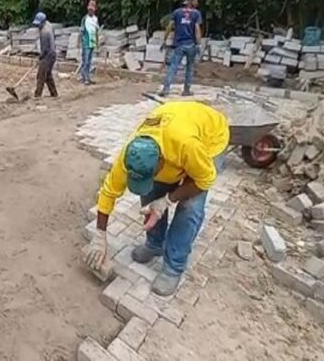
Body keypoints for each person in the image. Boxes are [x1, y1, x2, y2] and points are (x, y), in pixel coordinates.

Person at [84, 101, 229, 295]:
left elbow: (204, 180)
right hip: (175, 127)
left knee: (189, 207)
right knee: (151, 191)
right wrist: (100, 236)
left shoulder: (186, 145)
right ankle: (154, 244)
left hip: (210, 138)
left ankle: (173, 266)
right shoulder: (130, 153)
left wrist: (167, 200)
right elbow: (108, 192)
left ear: (162, 161)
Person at [161, 0, 203, 97]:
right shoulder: (196, 14)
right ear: (192, 1)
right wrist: (199, 44)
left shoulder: (177, 12)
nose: (197, 2)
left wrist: (164, 40)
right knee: (190, 67)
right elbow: (197, 29)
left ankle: (166, 90)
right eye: (196, 0)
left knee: (173, 67)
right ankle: (186, 90)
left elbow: (169, 27)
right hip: (191, 45)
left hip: (179, 45)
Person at [33, 12, 58, 98]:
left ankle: (37, 95)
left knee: (41, 75)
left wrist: (40, 58)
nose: (37, 26)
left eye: (38, 24)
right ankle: (54, 93)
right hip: (52, 54)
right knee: (47, 75)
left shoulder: (44, 32)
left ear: (43, 22)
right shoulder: (48, 25)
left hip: (49, 55)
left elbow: (45, 49)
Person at [80, 0, 99, 85]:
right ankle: (84, 78)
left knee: (90, 61)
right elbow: (82, 31)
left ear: (95, 9)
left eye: (92, 9)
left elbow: (96, 31)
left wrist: (97, 43)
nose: (91, 10)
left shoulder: (95, 19)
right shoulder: (85, 19)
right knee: (85, 60)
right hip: (86, 43)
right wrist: (82, 42)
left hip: (92, 42)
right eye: (89, 9)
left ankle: (88, 77)